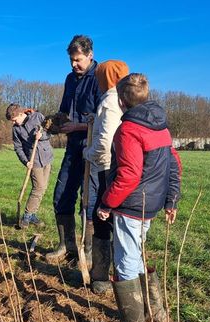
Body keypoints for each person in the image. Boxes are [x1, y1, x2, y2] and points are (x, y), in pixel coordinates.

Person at [96, 73, 181, 322]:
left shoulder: (128, 130)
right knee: (136, 255)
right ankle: (155, 311)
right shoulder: (161, 127)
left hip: (131, 205)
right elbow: (174, 165)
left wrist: (107, 203)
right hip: (151, 204)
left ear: (121, 100)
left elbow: (129, 175)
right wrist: (171, 200)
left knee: (125, 262)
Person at [46, 35, 102, 264]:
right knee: (62, 195)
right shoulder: (70, 79)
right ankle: (66, 245)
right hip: (73, 146)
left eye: (78, 60)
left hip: (93, 146)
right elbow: (64, 110)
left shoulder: (100, 78)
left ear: (90, 56)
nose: (74, 64)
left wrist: (79, 125)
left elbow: (104, 118)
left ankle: (87, 254)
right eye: (71, 60)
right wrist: (56, 123)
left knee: (88, 200)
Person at [83, 60, 129, 294]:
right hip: (112, 166)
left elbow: (104, 142)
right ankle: (107, 272)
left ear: (107, 79)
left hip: (104, 167)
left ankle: (101, 275)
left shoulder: (110, 102)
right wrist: (94, 119)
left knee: (101, 216)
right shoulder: (119, 100)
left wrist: (87, 153)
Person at [6, 103, 53, 228]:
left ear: (21, 114)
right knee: (38, 187)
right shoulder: (16, 129)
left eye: (14, 120)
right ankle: (27, 216)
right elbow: (18, 147)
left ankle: (32, 215)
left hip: (46, 157)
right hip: (33, 161)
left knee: (43, 189)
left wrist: (42, 136)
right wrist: (25, 161)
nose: (13, 123)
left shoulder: (37, 117)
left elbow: (51, 131)